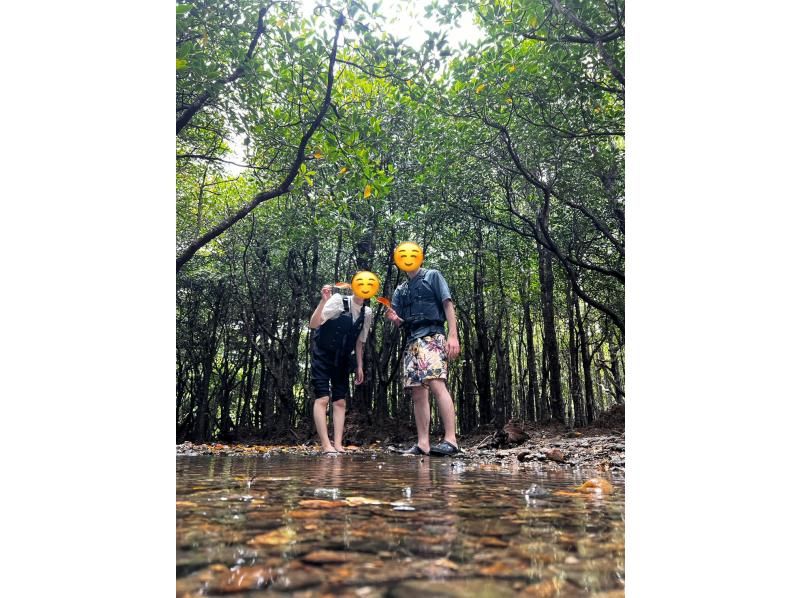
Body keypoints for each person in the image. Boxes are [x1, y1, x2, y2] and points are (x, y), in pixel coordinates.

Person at [384, 242, 461, 456]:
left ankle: (451, 440)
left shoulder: (433, 276)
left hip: (433, 335)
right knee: (418, 393)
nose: (407, 258)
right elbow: (400, 321)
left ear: (421, 256)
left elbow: (447, 304)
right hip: (412, 341)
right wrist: (393, 318)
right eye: (402, 255)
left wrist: (453, 335)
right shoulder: (401, 289)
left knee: (437, 384)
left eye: (412, 254)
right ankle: (423, 443)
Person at [309, 281, 373, 455]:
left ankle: (338, 444)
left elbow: (360, 342)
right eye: (360, 284)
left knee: (340, 401)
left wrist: (360, 365)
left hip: (343, 358)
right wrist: (323, 302)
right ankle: (326, 445)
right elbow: (314, 324)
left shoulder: (367, 313)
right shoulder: (338, 300)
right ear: (353, 287)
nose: (364, 288)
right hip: (323, 353)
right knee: (322, 398)